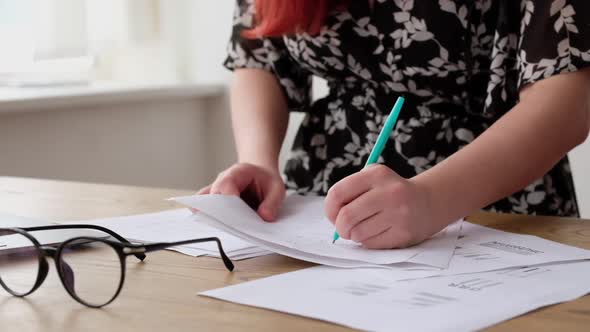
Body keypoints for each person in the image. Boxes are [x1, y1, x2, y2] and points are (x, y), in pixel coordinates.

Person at [200, 0, 590, 249]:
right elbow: (259, 54)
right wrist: (258, 162)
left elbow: (568, 100)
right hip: (317, 208)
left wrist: (432, 200)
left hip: (491, 206)